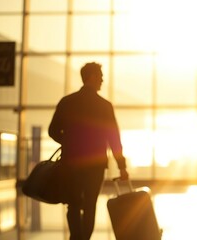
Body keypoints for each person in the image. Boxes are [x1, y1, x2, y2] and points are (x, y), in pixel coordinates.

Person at [49, 62, 129, 240]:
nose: (102, 79)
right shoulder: (104, 106)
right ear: (91, 77)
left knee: (74, 205)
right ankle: (84, 238)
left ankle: (75, 237)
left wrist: (68, 141)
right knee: (90, 205)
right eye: (100, 75)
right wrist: (121, 166)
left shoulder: (67, 102)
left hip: (70, 163)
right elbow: (113, 139)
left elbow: (53, 131)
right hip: (95, 166)